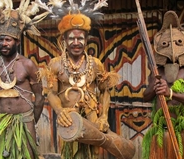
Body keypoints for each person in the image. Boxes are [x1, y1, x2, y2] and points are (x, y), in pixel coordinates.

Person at [38, 1, 135, 159]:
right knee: (69, 154)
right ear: (64, 40)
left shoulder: (95, 64)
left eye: (80, 38)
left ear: (86, 40)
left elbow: (105, 91)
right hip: (69, 121)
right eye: (71, 39)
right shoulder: (55, 64)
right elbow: (52, 93)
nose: (76, 42)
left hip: (92, 120)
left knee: (92, 155)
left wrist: (103, 116)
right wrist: (60, 111)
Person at [0, 0, 49, 158]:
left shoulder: (27, 64)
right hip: (3, 121)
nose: (4, 43)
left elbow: (39, 97)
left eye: (8, 40)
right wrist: (1, 109)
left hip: (25, 120)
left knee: (27, 154)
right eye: (0, 40)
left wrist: (31, 119)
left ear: (16, 41)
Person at [142, 11, 184, 159]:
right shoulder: (157, 71)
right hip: (162, 131)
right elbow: (146, 97)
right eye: (165, 44)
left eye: (177, 42)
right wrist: (155, 88)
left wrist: (170, 93)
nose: (171, 47)